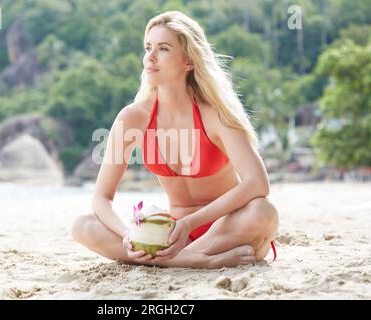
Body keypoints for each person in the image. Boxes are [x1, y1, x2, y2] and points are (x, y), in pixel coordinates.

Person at [71, 11, 279, 269]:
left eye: (163, 48)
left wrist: (189, 224)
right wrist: (129, 235)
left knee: (263, 212)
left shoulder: (215, 114)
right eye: (148, 48)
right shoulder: (133, 118)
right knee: (83, 226)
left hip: (225, 229)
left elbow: (258, 183)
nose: (150, 57)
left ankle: (177, 260)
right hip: (171, 236)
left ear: (189, 61)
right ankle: (191, 261)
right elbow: (101, 198)